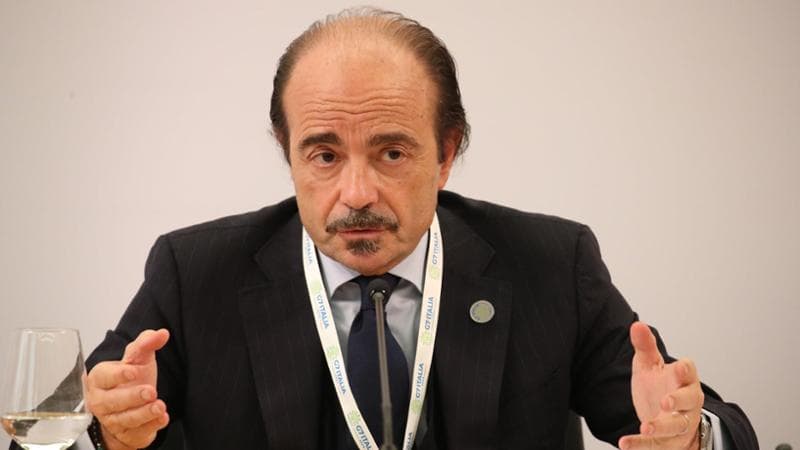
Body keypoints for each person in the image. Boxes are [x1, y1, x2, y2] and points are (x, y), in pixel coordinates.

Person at [60, 8, 757, 450]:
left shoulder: (551, 264)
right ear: (288, 153)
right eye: (324, 155)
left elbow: (704, 424)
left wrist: (689, 435)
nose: (357, 193)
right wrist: (107, 431)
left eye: (392, 152)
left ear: (446, 153)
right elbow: (78, 418)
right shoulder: (194, 273)